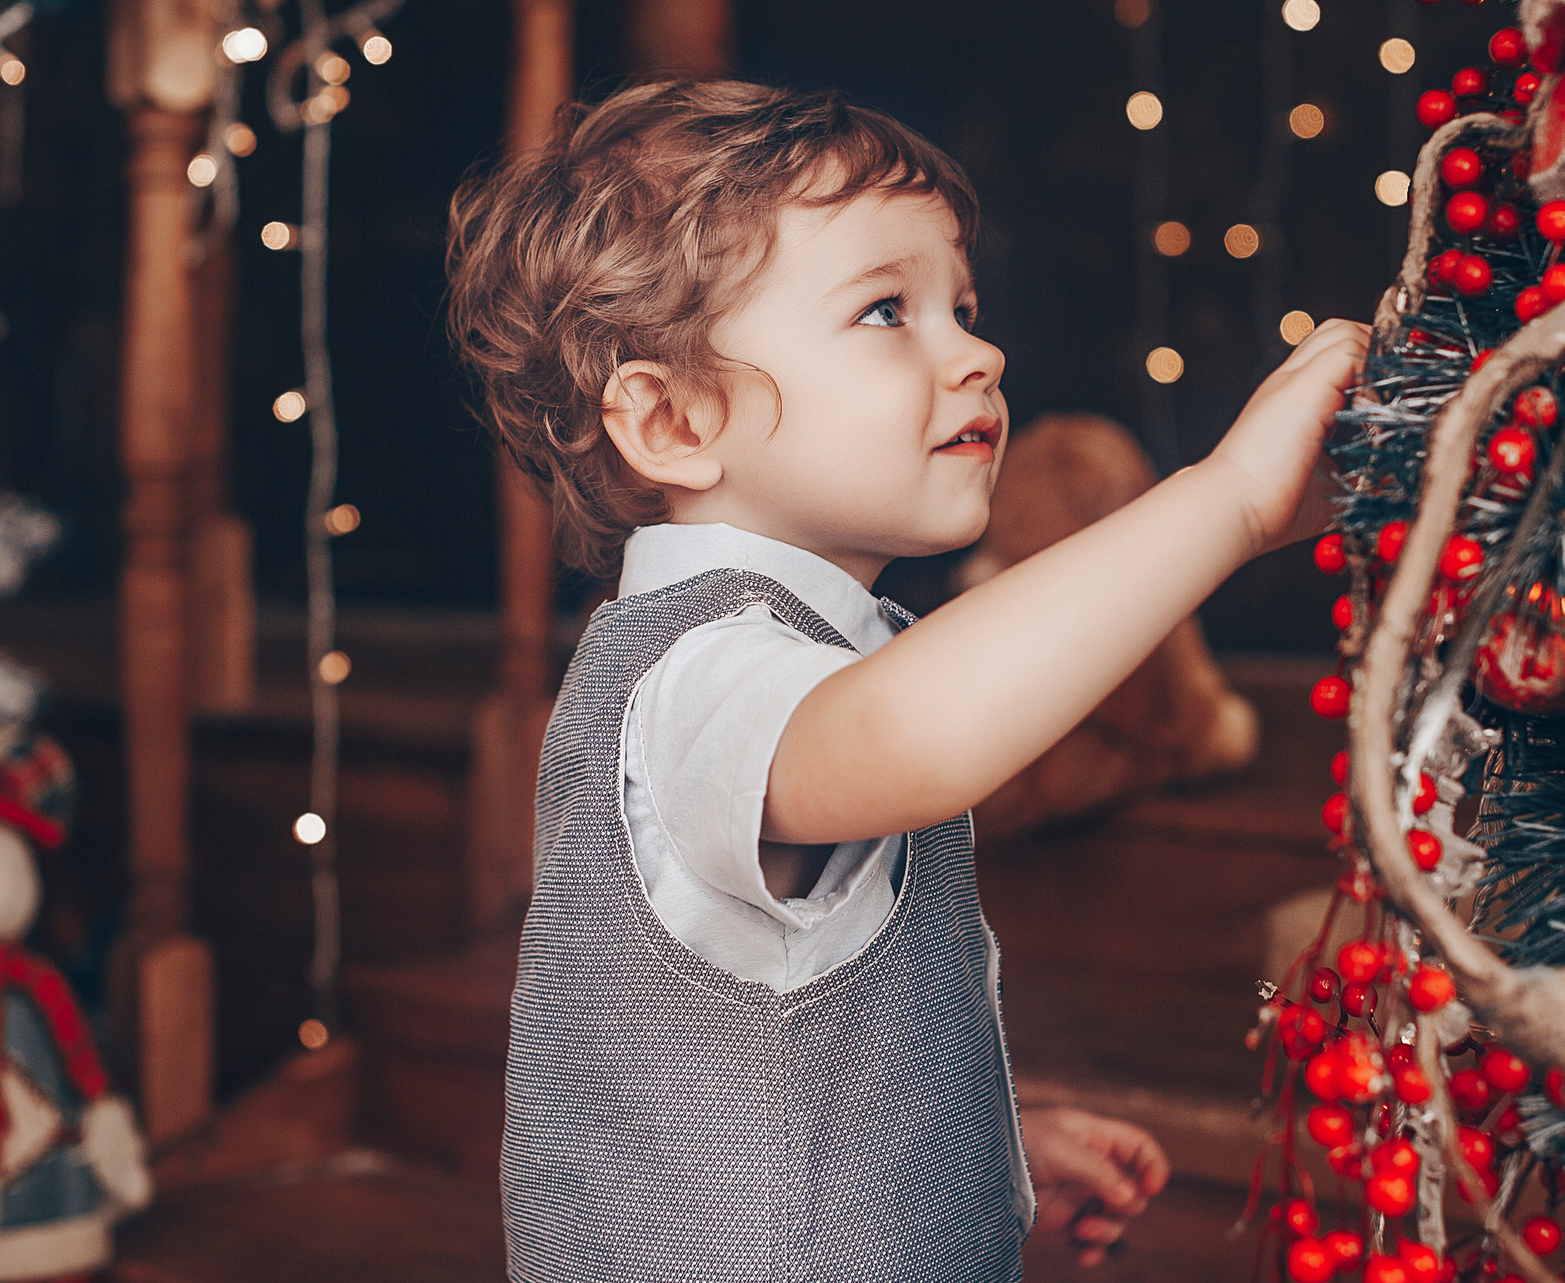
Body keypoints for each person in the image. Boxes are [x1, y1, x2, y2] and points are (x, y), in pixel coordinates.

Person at [447, 81, 1369, 1281]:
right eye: (887, 310)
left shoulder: (819, 656)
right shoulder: (693, 678)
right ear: (673, 422)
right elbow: (920, 735)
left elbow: (789, 1045)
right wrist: (1227, 501)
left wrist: (981, 1153)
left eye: (962, 309)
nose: (979, 352)